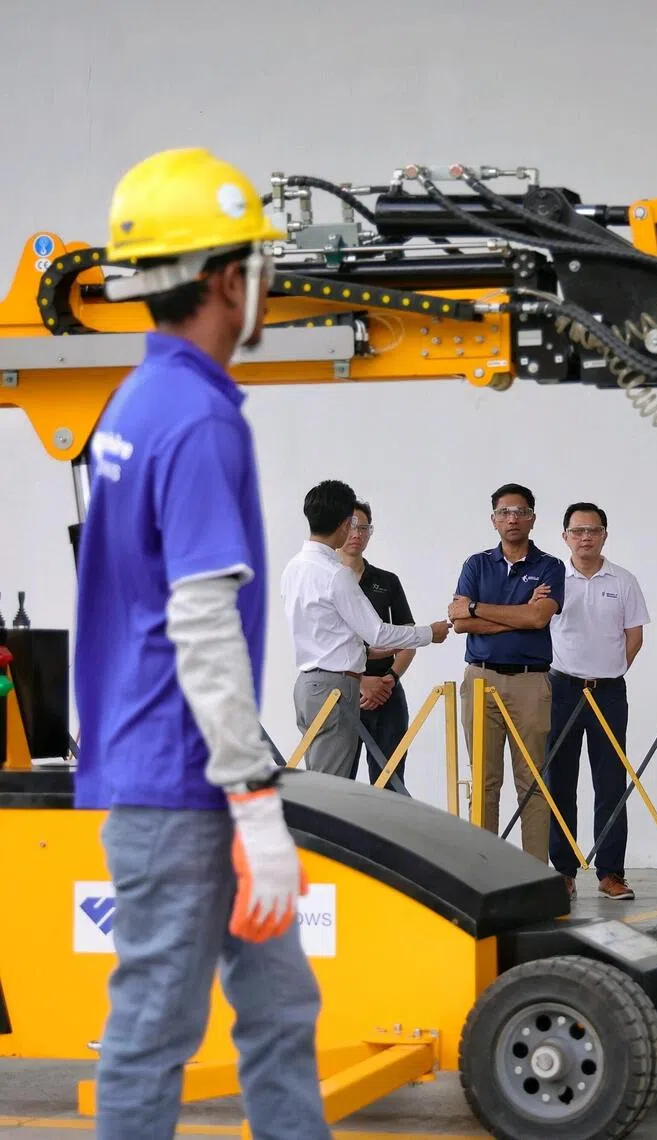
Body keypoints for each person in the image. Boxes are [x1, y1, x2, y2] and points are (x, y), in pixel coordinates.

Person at [72, 147, 331, 1138]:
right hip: (187, 787)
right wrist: (254, 803)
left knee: (277, 1007)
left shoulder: (137, 404)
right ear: (228, 280)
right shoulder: (196, 420)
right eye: (261, 268)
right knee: (153, 1029)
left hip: (181, 775)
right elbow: (201, 622)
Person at [281, 480, 448, 780]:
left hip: (308, 686)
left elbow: (327, 634)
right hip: (335, 687)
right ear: (345, 524)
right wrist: (429, 634)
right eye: (353, 524)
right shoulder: (335, 575)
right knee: (332, 787)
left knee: (322, 778)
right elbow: (379, 633)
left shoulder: (294, 568)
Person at [449, 483, 565, 861]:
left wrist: (479, 607)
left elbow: (538, 616)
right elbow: (460, 622)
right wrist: (519, 616)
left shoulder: (550, 565)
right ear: (493, 519)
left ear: (532, 518)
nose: (512, 519)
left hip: (531, 681)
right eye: (504, 512)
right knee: (484, 781)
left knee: (532, 781)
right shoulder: (476, 564)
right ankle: (485, 872)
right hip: (480, 678)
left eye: (520, 512)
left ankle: (533, 872)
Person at [547, 502, 650, 901]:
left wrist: (609, 669)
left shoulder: (622, 579)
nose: (585, 537)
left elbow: (635, 636)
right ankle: (563, 871)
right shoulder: (553, 578)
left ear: (605, 534)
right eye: (577, 531)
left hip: (608, 691)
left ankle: (611, 873)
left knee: (610, 783)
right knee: (560, 782)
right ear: (565, 537)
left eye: (593, 530)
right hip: (561, 689)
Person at [338, 500, 419, 788]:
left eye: (364, 528)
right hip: (343, 690)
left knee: (390, 783)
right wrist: (360, 683)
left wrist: (389, 680)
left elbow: (407, 639)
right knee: (337, 784)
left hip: (387, 694)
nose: (356, 534)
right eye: (350, 527)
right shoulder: (326, 579)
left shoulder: (387, 581)